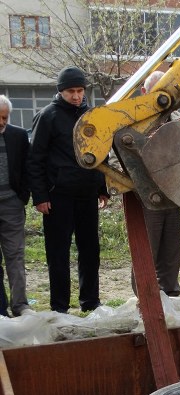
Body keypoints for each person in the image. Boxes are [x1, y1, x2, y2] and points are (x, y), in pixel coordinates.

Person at [28, 66, 109, 313]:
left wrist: (102, 188)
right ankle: (60, 305)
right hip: (57, 196)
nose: (76, 96)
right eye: (71, 91)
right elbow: (35, 159)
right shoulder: (48, 116)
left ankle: (90, 302)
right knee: (58, 253)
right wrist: (40, 196)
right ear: (61, 92)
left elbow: (100, 153)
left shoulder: (91, 115)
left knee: (90, 250)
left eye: (80, 91)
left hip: (87, 194)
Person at [131, 71, 180, 297]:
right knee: (147, 251)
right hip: (147, 197)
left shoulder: (177, 119)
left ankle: (170, 292)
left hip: (172, 195)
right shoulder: (133, 122)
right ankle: (145, 297)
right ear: (144, 93)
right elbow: (117, 159)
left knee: (172, 250)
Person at [0, 95, 31, 316]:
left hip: (12, 204)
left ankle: (20, 305)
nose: (1, 121)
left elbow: (28, 167)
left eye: (5, 117)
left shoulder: (18, 136)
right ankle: (0, 308)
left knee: (15, 256)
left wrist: (23, 196)